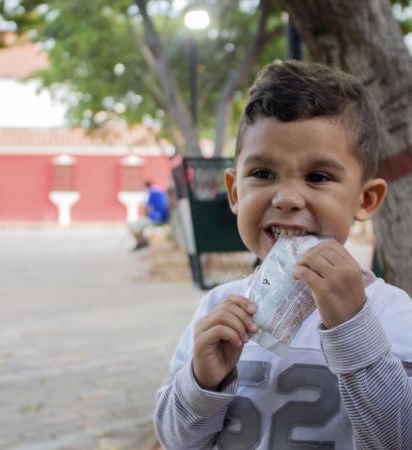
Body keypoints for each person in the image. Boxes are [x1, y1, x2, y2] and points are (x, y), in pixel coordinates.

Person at [154, 61, 412, 449]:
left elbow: (399, 438)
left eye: (318, 177)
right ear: (235, 191)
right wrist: (202, 381)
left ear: (366, 198)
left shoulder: (392, 312)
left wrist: (353, 328)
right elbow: (176, 439)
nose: (287, 198)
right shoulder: (218, 308)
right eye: (262, 174)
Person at [130, 180, 169, 251]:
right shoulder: (159, 191)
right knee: (137, 225)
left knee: (133, 226)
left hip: (155, 218)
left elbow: (148, 208)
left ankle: (141, 243)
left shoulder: (151, 193)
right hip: (163, 217)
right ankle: (142, 242)